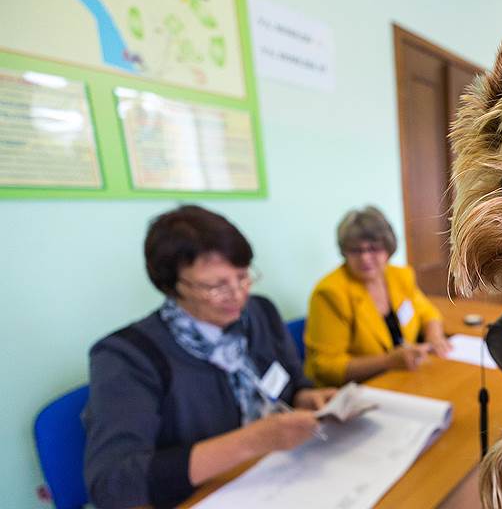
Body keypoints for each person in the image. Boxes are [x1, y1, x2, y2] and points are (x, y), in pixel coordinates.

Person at [83, 205, 336, 508]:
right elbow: (113, 483)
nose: (237, 295)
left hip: (282, 472)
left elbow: (293, 384)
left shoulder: (260, 312)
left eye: (243, 277)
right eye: (216, 286)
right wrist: (253, 441)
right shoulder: (127, 356)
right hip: (208, 495)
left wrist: (307, 397)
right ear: (172, 287)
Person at [303, 206, 452, 386]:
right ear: (344, 252)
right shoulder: (330, 293)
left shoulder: (400, 276)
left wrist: (434, 337)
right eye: (356, 250)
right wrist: (388, 361)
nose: (365, 257)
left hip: (403, 377)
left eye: (373, 249)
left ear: (388, 249)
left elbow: (428, 313)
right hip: (356, 388)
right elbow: (326, 367)